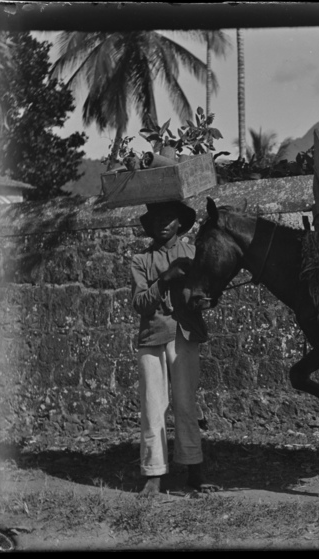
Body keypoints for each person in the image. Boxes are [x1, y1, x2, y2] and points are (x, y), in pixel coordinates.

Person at [130, 200, 219, 496]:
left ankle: (194, 470)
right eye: (157, 219)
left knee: (185, 403)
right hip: (152, 336)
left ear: (180, 223)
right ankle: (153, 474)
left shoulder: (193, 253)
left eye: (169, 218)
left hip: (184, 335)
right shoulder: (141, 260)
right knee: (152, 406)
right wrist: (165, 279)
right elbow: (140, 304)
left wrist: (203, 299)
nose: (163, 224)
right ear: (150, 225)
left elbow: (207, 292)